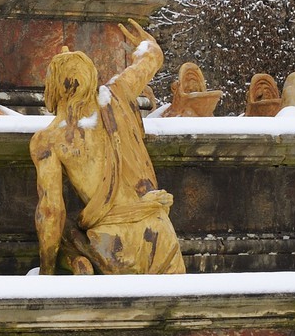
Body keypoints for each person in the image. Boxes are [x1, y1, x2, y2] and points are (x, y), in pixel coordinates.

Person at [31, 21, 184, 275]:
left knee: (68, 231)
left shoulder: (49, 140)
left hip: (113, 245)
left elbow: (50, 212)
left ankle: (77, 262)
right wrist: (146, 44)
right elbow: (152, 58)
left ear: (54, 85)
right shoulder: (118, 96)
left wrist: (46, 273)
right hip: (160, 231)